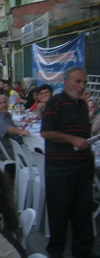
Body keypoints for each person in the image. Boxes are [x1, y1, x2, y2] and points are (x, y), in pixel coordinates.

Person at [40, 67, 97, 258]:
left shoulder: (82, 104)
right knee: (59, 216)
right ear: (66, 82)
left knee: (83, 216)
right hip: (60, 172)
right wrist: (72, 140)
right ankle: (56, 253)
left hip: (82, 170)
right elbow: (46, 132)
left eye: (84, 83)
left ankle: (83, 253)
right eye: (78, 82)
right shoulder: (56, 103)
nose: (82, 86)